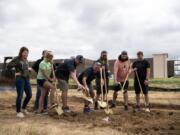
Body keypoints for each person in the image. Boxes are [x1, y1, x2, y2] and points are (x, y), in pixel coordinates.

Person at [7, 47, 32, 118]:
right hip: (20, 79)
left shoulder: (26, 60)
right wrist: (14, 73)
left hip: (26, 79)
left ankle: (23, 108)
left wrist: (29, 70)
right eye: (24, 52)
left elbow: (25, 68)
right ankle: (18, 112)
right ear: (21, 52)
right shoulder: (17, 59)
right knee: (20, 95)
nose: (26, 54)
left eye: (27, 53)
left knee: (29, 95)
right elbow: (8, 66)